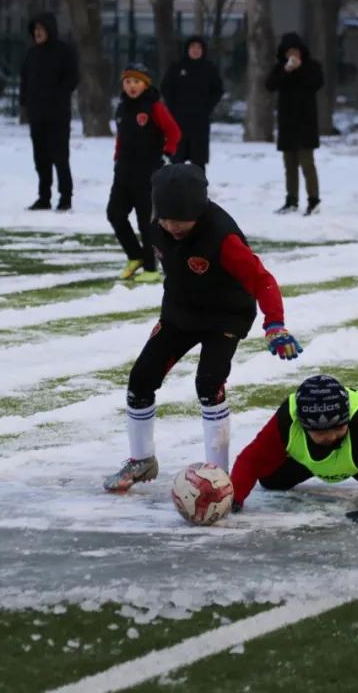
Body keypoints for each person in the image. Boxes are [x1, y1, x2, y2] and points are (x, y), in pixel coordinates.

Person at [103, 163, 302, 492]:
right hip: (180, 313)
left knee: (208, 383)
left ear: (198, 209)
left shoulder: (223, 237)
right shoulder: (157, 227)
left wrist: (275, 324)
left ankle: (218, 476)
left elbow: (262, 280)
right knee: (141, 378)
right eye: (165, 218)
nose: (172, 226)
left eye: (180, 220)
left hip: (225, 316)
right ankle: (141, 460)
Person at [229, 374, 358, 523]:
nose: (330, 437)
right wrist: (233, 498)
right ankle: (318, 464)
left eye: (338, 428)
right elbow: (251, 460)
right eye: (320, 433)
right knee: (270, 479)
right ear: (303, 427)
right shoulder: (287, 420)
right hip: (323, 455)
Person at [107, 62, 181, 284]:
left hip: (148, 172)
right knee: (115, 214)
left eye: (136, 82)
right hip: (124, 171)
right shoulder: (122, 107)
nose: (131, 86)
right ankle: (135, 256)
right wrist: (117, 157)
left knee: (145, 221)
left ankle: (151, 267)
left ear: (145, 84)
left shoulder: (154, 107)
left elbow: (174, 132)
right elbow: (121, 137)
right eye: (128, 81)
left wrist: (167, 153)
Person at [19, 12, 79, 211]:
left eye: (41, 29)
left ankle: (66, 196)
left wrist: (58, 95)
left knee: (60, 157)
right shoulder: (31, 53)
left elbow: (72, 78)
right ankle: (44, 196)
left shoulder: (64, 51)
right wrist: (25, 101)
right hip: (37, 114)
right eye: (35, 30)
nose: (37, 33)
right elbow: (25, 78)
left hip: (58, 115)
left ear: (50, 30)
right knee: (41, 158)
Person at [266, 32, 323, 216]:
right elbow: (270, 85)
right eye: (289, 51)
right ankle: (291, 199)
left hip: (306, 123)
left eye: (295, 51)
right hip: (287, 123)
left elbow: (316, 83)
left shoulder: (312, 67)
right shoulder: (280, 68)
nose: (292, 55)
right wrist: (286, 71)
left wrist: (299, 70)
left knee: (307, 163)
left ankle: (313, 200)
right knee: (289, 165)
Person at [160, 37, 224, 171]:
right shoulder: (177, 67)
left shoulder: (209, 68)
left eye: (198, 48)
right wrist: (172, 107)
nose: (195, 50)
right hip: (178, 119)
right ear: (187, 49)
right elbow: (166, 87)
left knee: (198, 159)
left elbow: (218, 90)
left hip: (200, 120)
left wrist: (208, 107)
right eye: (192, 47)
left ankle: (199, 188)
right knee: (177, 158)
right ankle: (176, 188)